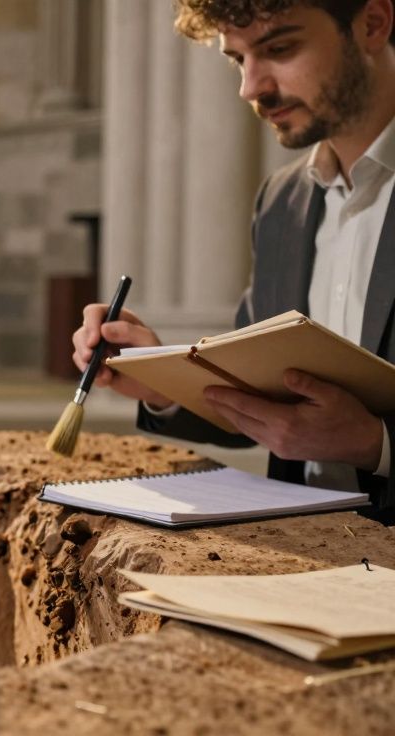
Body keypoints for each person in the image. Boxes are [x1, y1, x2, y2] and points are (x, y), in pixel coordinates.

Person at [73, 0, 395, 523]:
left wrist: (376, 444)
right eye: (238, 60)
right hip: (300, 554)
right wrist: (164, 382)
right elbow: (261, 392)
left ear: (373, 24)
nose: (252, 87)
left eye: (279, 49)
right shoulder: (282, 200)